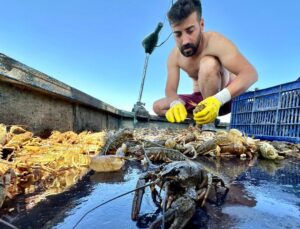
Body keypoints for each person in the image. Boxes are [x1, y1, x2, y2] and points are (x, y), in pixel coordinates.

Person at [153, 0, 258, 124]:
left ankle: (209, 123)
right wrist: (175, 103)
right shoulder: (174, 56)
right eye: (178, 34)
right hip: (199, 100)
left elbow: (251, 74)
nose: (185, 41)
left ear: (201, 24)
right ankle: (199, 118)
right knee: (158, 106)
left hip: (225, 99)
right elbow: (170, 90)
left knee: (208, 63)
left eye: (190, 30)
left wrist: (218, 99)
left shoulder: (216, 42)